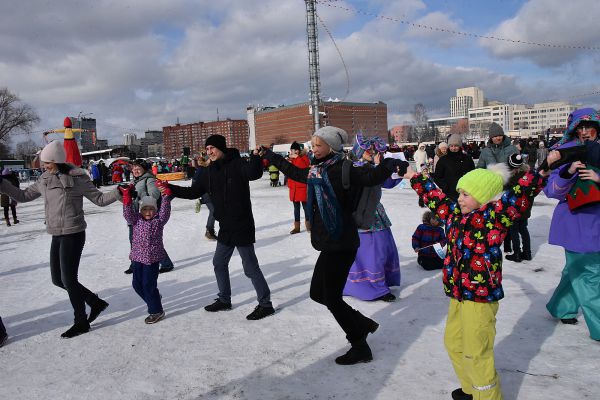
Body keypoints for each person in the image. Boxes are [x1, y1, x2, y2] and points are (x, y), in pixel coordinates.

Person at [262, 126, 409, 365]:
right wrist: (271, 156)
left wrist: (390, 165)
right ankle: (362, 324)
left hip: (342, 242)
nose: (314, 149)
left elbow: (370, 177)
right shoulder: (316, 170)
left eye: (318, 145)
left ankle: (359, 343)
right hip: (329, 242)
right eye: (312, 145)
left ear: (331, 146)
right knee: (317, 293)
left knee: (330, 297)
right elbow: (295, 173)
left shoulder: (344, 167)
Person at [406, 155, 549, 400]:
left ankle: (487, 396)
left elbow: (520, 194)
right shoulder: (454, 215)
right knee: (454, 343)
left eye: (466, 194)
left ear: (483, 196)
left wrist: (542, 171)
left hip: (480, 298)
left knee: (476, 352)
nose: (459, 198)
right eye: (460, 193)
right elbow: (436, 198)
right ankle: (471, 389)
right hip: (458, 294)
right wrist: (416, 177)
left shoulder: (495, 218)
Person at [0, 140, 118, 338]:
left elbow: (99, 200)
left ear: (56, 161)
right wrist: (3, 184)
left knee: (69, 279)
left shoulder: (77, 177)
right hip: (57, 233)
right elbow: (23, 196)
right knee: (58, 279)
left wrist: (118, 193)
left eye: (47, 162)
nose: (44, 166)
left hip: (73, 232)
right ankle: (94, 301)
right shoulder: (45, 179)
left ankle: (81, 321)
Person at [159, 134, 274, 320]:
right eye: (207, 149)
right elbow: (193, 192)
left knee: (250, 267)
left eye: (212, 148)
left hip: (242, 224)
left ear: (221, 148)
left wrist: (255, 156)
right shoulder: (208, 172)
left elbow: (255, 173)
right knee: (219, 263)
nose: (209, 152)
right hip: (226, 227)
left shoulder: (237, 164)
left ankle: (265, 304)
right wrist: (170, 188)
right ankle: (224, 299)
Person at [544, 107, 600, 341]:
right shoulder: (562, 152)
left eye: (590, 128)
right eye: (580, 128)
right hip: (575, 222)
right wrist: (567, 172)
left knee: (576, 270)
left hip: (597, 219)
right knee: (589, 273)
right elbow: (551, 191)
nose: (585, 132)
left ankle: (562, 306)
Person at [342, 134, 401, 302]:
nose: (373, 153)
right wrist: (378, 168)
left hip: (376, 215)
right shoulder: (354, 168)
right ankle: (370, 287)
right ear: (360, 151)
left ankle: (380, 283)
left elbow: (388, 183)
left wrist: (397, 171)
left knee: (382, 249)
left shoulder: (374, 167)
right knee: (368, 253)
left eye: (374, 150)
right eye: (369, 150)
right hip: (360, 216)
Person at [119, 184, 171, 324]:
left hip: (152, 259)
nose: (148, 212)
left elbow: (165, 211)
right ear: (141, 210)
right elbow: (127, 213)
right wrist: (126, 197)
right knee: (137, 285)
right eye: (145, 209)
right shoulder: (136, 220)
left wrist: (166, 196)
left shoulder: (158, 221)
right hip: (137, 258)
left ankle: (156, 311)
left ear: (156, 210)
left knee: (148, 285)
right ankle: (153, 298)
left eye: (151, 209)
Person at [123, 159, 175, 274]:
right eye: (134, 168)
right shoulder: (136, 181)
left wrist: (136, 195)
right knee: (135, 240)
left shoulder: (149, 179)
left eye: (138, 168)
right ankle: (135, 264)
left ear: (144, 169)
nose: (135, 170)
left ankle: (166, 264)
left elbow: (155, 195)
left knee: (151, 241)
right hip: (136, 214)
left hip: (146, 216)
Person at [505, 154, 533, 263]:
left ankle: (516, 253)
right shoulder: (528, 175)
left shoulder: (511, 178)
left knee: (514, 230)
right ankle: (527, 252)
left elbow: (506, 192)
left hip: (514, 208)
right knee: (524, 229)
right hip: (526, 207)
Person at [433, 134, 475, 201]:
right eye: (451, 146)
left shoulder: (467, 159)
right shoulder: (443, 160)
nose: (453, 148)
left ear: (460, 146)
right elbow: (437, 176)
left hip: (465, 193)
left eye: (456, 146)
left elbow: (473, 174)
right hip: (449, 194)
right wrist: (445, 187)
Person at [287, 141, 310, 234]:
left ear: (298, 150)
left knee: (306, 208)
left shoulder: (304, 158)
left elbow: (303, 167)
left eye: (294, 150)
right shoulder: (291, 160)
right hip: (294, 188)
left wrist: (297, 158)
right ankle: (297, 227)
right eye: (292, 150)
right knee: (296, 209)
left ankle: (309, 225)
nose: (293, 152)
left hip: (302, 188)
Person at [194, 155, 218, 240]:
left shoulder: (208, 168)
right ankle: (209, 231)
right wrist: (202, 198)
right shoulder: (202, 170)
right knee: (214, 210)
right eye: (210, 161)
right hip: (206, 194)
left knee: (216, 210)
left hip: (210, 193)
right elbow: (195, 184)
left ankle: (210, 230)